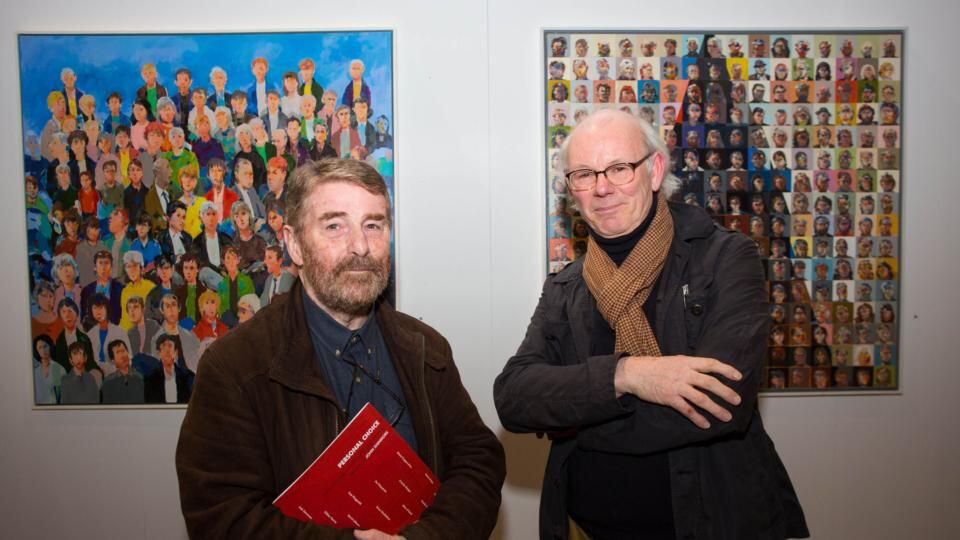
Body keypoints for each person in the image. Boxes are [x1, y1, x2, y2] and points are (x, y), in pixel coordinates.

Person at [494, 110, 807, 539]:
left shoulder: (726, 259)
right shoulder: (566, 286)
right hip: (585, 527)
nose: (602, 188)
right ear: (572, 190)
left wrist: (577, 418)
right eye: (584, 174)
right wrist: (627, 376)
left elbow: (718, 405)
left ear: (655, 170)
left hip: (712, 522)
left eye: (619, 169)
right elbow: (513, 398)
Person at [175, 159, 505, 537]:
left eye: (373, 225)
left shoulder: (426, 348)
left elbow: (479, 463)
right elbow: (222, 517)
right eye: (334, 226)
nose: (360, 246)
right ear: (294, 244)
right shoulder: (234, 367)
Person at [100, 340, 145, 404]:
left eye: (123, 351)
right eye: (118, 352)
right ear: (113, 360)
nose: (122, 355)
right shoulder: (108, 382)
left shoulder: (140, 377)